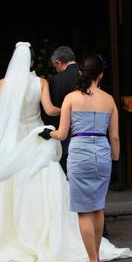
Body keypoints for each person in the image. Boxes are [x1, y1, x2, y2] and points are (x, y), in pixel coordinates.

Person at [0, 42, 132, 262]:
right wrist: (65, 110)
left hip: (15, 142)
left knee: (11, 188)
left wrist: (70, 107)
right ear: (34, 63)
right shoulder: (41, 83)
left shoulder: (2, 84)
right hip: (38, 140)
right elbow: (49, 110)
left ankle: (14, 234)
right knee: (72, 197)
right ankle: (85, 251)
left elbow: (5, 112)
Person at [39, 53, 126, 262]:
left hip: (79, 153)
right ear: (101, 74)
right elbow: (115, 136)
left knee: (83, 210)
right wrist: (115, 159)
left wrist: (48, 133)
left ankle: (94, 261)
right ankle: (95, 257)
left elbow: (62, 133)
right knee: (98, 206)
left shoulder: (71, 98)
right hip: (103, 153)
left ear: (81, 73)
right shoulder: (109, 100)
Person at [44, 46, 79, 174]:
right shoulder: (87, 73)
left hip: (64, 135)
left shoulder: (57, 80)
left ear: (58, 63)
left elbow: (53, 108)